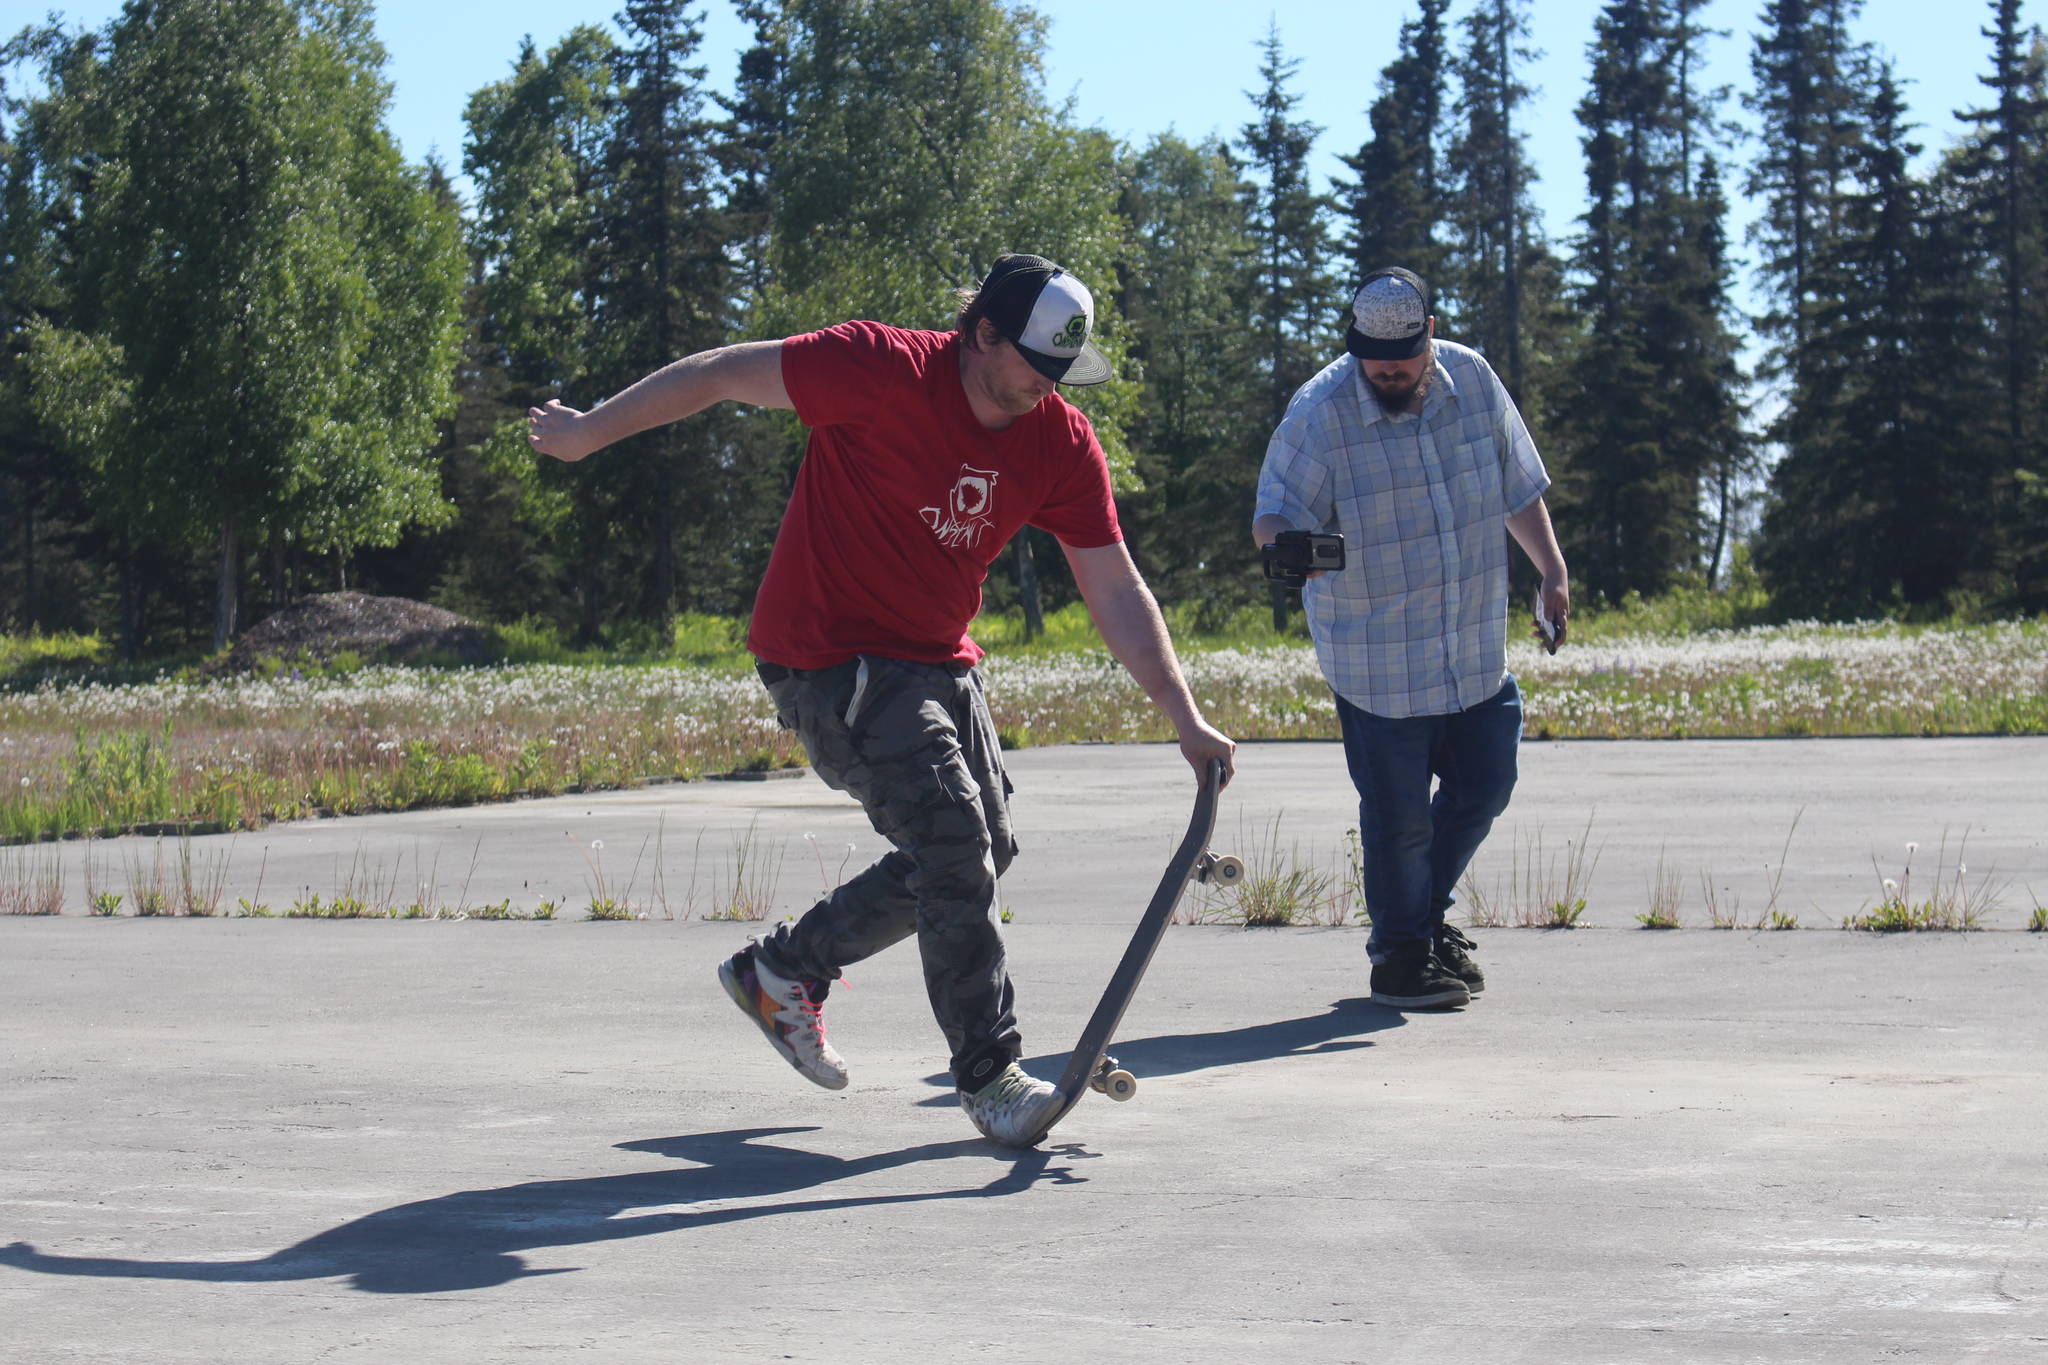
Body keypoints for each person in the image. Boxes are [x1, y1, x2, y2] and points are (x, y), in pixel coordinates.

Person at [528, 253, 1235, 1145]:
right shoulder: (875, 367)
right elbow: (717, 375)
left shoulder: (1059, 440)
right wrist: (588, 432)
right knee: (952, 837)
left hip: (937, 658)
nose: (1047, 392)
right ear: (980, 333)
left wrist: (1185, 714)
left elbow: (1115, 586)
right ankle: (988, 1072)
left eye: (1062, 374)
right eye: (1034, 366)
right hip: (826, 654)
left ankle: (784, 970)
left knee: (979, 851)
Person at [1252, 266, 1568, 1009]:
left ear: (1430, 336)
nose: (1388, 371)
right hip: (1377, 657)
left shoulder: (1474, 381)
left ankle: (1421, 917)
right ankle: (1400, 955)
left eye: (1402, 358)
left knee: (1488, 784)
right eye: (1374, 359)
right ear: (1354, 346)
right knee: (1396, 819)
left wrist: (1551, 570)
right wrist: (1285, 547)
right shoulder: (1319, 412)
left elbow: (1519, 486)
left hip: (1472, 646)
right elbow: (1273, 511)